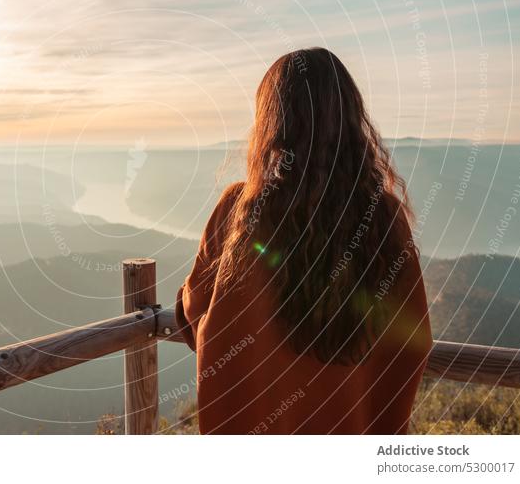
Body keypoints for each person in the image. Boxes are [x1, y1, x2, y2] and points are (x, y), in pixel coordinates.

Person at [175, 48, 432, 434]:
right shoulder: (383, 218)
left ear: (271, 124)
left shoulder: (240, 212)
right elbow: (413, 338)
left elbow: (195, 310)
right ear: (350, 119)